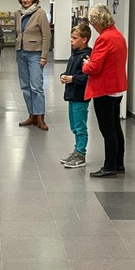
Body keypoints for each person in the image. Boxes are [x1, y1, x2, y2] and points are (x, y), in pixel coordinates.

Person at [82, 3, 128, 178]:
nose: (93, 27)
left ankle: (109, 166)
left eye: (93, 23)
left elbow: (94, 67)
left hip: (105, 89)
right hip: (117, 88)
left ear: (98, 22)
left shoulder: (104, 39)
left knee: (107, 130)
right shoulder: (118, 35)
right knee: (116, 127)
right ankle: (118, 163)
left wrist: (86, 65)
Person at [15, 0, 51, 131]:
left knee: (36, 87)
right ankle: (32, 115)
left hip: (35, 54)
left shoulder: (40, 13)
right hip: (21, 53)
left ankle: (40, 117)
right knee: (25, 87)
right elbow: (18, 33)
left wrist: (44, 56)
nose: (25, 0)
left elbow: (47, 35)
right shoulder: (18, 14)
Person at [59, 23, 92, 169]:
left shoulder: (86, 56)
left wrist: (73, 79)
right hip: (72, 95)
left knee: (80, 127)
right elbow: (71, 71)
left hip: (80, 96)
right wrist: (64, 76)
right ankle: (76, 150)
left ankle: (81, 153)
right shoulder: (75, 54)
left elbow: (87, 77)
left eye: (74, 38)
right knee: (74, 126)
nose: (71, 41)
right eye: (71, 38)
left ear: (84, 39)